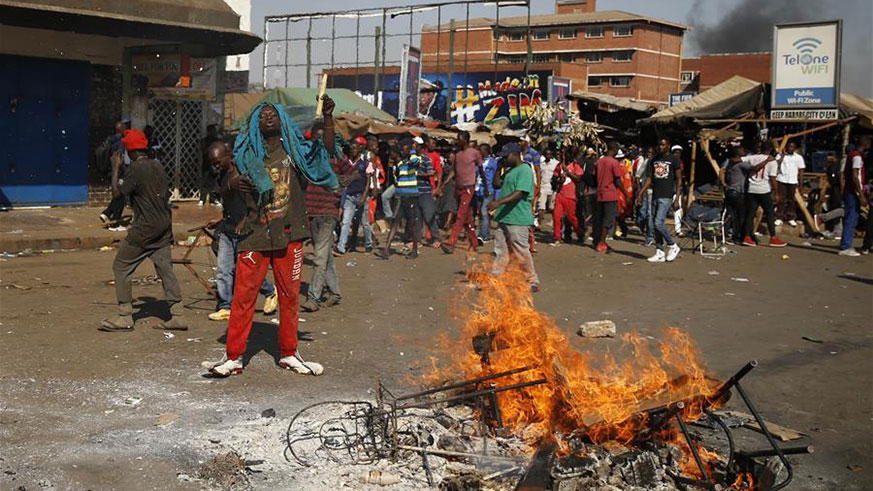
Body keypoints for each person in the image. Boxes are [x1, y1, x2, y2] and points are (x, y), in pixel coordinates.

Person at [202, 97, 340, 377]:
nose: (267, 117)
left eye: (272, 114)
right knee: (243, 298)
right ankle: (234, 357)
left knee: (289, 297)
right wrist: (232, 183)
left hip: (290, 234)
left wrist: (328, 118)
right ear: (255, 122)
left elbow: (325, 151)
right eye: (262, 114)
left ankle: (289, 353)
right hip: (255, 234)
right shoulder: (245, 154)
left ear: (281, 121)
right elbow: (221, 186)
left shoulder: (295, 152)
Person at [99, 129, 186, 332]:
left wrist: (115, 168)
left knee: (121, 266)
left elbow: (116, 194)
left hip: (145, 228)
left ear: (129, 152)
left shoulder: (135, 169)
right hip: (163, 226)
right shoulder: (158, 166)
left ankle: (124, 316)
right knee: (165, 270)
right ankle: (178, 314)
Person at [205, 142, 278, 321]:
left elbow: (255, 203)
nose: (215, 165)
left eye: (218, 161)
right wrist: (221, 220)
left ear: (228, 155)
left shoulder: (244, 173)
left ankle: (270, 291)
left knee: (244, 270)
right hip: (228, 227)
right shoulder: (222, 176)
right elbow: (228, 200)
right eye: (212, 162)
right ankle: (225, 306)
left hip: (245, 229)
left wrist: (245, 220)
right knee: (223, 270)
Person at [303, 140, 358, 312]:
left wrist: (348, 178)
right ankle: (335, 293)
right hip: (311, 212)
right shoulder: (307, 159)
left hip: (328, 213)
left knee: (319, 256)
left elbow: (356, 173)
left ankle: (313, 297)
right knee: (325, 255)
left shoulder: (337, 159)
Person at [488, 143, 539, 292]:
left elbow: (520, 193)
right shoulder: (510, 171)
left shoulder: (524, 170)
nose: (504, 159)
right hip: (504, 216)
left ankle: (531, 280)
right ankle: (497, 277)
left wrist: (499, 202)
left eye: (506, 157)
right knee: (500, 250)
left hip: (518, 217)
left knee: (521, 250)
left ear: (515, 155)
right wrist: (499, 168)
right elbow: (496, 184)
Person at [637, 139, 682, 262]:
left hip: (666, 195)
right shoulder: (654, 160)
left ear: (668, 146)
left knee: (658, 222)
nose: (660, 147)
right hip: (655, 194)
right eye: (659, 144)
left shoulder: (674, 160)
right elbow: (650, 178)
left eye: (663, 145)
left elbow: (679, 180)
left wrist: (677, 198)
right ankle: (659, 251)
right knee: (653, 223)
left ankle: (673, 245)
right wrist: (641, 193)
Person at [439, 131, 484, 254]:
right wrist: (445, 182)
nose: (458, 141)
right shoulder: (457, 155)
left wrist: (485, 187)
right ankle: (474, 242)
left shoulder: (474, 153)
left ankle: (451, 242)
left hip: (469, 188)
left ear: (466, 140)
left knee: (460, 215)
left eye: (460, 139)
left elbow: (481, 170)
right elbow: (454, 171)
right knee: (467, 217)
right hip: (458, 187)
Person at [376, 141, 421, 259]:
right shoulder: (401, 164)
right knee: (396, 222)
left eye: (405, 150)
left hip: (411, 197)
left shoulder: (413, 162)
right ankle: (386, 249)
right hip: (403, 196)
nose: (403, 151)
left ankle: (415, 250)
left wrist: (413, 150)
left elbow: (415, 160)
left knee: (412, 224)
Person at [741, 142, 787, 248]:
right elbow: (773, 178)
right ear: (771, 149)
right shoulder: (772, 161)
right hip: (764, 189)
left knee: (750, 214)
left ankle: (747, 237)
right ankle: (773, 237)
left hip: (752, 188)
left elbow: (740, 159)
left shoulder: (753, 158)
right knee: (770, 214)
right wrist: (777, 193)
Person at [336, 138, 374, 255]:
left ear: (359, 150)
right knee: (346, 222)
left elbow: (368, 181)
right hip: (349, 196)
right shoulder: (347, 163)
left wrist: (364, 196)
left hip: (361, 195)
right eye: (351, 148)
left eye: (354, 148)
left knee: (365, 223)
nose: (352, 150)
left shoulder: (365, 163)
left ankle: (369, 244)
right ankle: (341, 247)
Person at [594, 142, 630, 252]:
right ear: (614, 149)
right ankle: (601, 242)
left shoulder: (599, 161)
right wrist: (626, 194)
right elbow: (618, 180)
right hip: (610, 193)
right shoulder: (614, 163)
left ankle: (598, 241)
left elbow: (594, 175)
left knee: (600, 218)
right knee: (608, 219)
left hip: (600, 193)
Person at [839, 135, 870, 256]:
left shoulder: (852, 155)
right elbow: (854, 175)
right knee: (851, 218)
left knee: (851, 217)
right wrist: (861, 194)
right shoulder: (857, 157)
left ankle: (846, 244)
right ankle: (845, 246)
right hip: (853, 191)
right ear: (866, 145)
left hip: (850, 190)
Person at [98, 120, 131, 230]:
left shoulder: (110, 140)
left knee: (118, 195)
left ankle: (107, 213)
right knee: (120, 195)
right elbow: (119, 159)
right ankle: (116, 222)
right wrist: (125, 171)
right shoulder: (120, 142)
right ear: (121, 129)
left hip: (110, 171)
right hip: (118, 171)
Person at [412, 136, 442, 248]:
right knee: (417, 217)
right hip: (414, 191)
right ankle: (418, 240)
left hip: (425, 191)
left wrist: (418, 174)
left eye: (415, 145)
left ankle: (436, 237)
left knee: (429, 215)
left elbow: (432, 173)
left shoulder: (427, 159)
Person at [551, 147, 583, 244]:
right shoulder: (559, 166)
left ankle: (580, 234)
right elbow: (554, 178)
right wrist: (558, 180)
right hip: (560, 194)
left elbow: (578, 179)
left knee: (572, 218)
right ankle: (557, 237)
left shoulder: (575, 165)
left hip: (570, 195)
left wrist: (568, 172)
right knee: (556, 216)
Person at [774, 141, 805, 227]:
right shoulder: (780, 155)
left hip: (792, 180)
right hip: (782, 179)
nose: (790, 148)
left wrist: (801, 183)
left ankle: (791, 217)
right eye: (789, 146)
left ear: (795, 148)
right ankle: (779, 217)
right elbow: (777, 164)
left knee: (791, 200)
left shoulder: (798, 158)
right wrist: (783, 155)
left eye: (792, 147)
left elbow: (801, 170)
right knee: (781, 199)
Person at [721, 147, 747, 243]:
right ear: (737, 154)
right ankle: (737, 237)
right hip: (737, 192)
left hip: (729, 191)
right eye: (742, 151)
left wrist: (724, 183)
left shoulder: (728, 163)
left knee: (729, 214)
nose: (744, 152)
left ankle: (725, 235)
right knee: (739, 215)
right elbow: (753, 167)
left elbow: (721, 171)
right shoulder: (740, 164)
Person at [477, 144, 499, 243]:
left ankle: (484, 235)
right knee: (481, 214)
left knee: (484, 212)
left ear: (486, 151)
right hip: (478, 190)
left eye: (481, 150)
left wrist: (495, 194)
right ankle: (484, 232)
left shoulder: (493, 163)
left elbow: (495, 177)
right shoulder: (478, 162)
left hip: (488, 190)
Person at [634, 147, 654, 246]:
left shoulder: (657, 162)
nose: (649, 155)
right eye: (648, 153)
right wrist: (639, 190)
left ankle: (649, 237)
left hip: (653, 192)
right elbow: (638, 176)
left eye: (651, 153)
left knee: (650, 214)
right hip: (645, 191)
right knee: (642, 213)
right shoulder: (646, 162)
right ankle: (641, 225)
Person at [199, 124, 222, 206]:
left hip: (215, 164)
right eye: (212, 130)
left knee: (214, 182)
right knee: (204, 182)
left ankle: (214, 199)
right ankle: (202, 199)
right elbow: (204, 150)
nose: (213, 132)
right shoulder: (204, 141)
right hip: (206, 164)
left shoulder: (217, 141)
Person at [537, 148, 559, 222]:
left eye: (549, 154)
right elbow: (539, 175)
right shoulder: (541, 164)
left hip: (552, 188)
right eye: (546, 154)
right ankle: (537, 225)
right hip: (543, 187)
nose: (548, 156)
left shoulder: (556, 163)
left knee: (552, 208)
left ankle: (555, 223)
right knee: (541, 207)